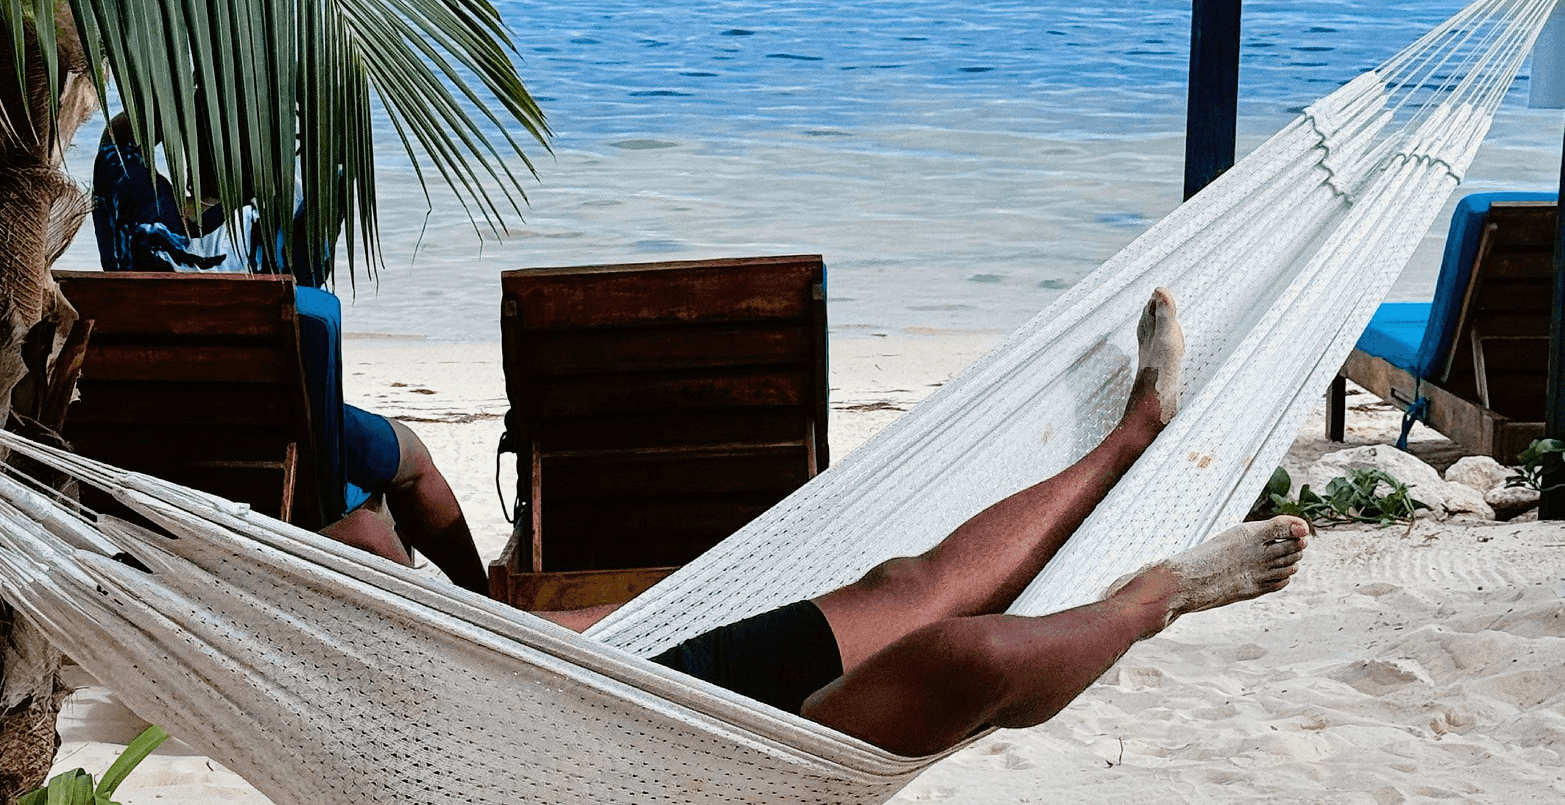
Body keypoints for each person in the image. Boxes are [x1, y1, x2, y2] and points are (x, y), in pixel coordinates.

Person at [335, 286, 1307, 756]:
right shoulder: (325, 651)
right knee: (963, 656)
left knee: (905, 587)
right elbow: (404, 495)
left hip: (632, 675)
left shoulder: (329, 487)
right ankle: (1150, 598)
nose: (373, 527)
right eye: (360, 523)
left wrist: (534, 613)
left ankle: (1131, 432)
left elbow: (415, 540)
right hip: (665, 762)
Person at [90, 113, 489, 594]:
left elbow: (118, 136)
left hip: (155, 444)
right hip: (273, 448)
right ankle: (483, 601)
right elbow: (335, 147)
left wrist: (185, 90)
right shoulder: (279, 229)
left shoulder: (134, 213)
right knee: (413, 462)